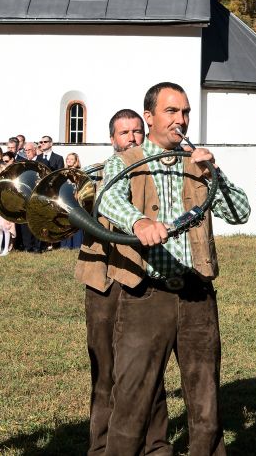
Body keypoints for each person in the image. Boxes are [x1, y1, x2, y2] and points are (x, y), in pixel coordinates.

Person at [97, 82, 250, 454]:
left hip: (197, 294)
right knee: (132, 397)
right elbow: (107, 200)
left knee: (206, 400)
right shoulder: (124, 161)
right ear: (149, 117)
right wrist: (138, 223)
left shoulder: (195, 163)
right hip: (146, 295)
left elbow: (240, 212)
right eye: (171, 111)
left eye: (185, 112)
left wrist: (214, 172)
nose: (180, 119)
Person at [74, 108, 171, 455]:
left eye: (137, 132)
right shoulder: (94, 177)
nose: (131, 137)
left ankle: (155, 444)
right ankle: (100, 447)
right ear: (112, 138)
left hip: (139, 280)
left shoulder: (154, 171)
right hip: (102, 281)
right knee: (104, 372)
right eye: (123, 132)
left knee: (148, 371)